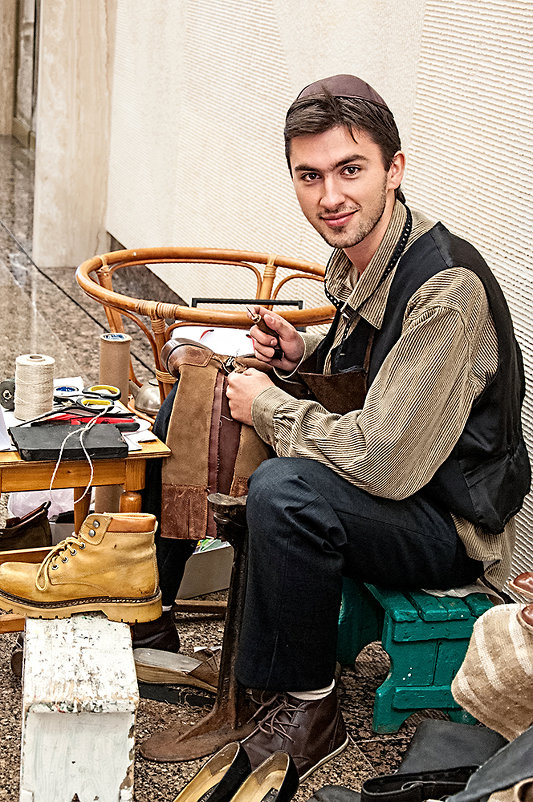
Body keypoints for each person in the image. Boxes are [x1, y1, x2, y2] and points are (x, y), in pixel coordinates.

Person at [136, 74, 531, 778]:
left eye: (350, 170)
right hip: (403, 487)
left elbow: (384, 461)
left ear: (394, 169)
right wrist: (303, 358)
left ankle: (310, 709)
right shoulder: (363, 257)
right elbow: (380, 385)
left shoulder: (443, 290)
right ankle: (155, 617)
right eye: (309, 175)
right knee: (193, 395)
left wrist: (273, 407)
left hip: (447, 524)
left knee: (287, 490)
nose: (330, 197)